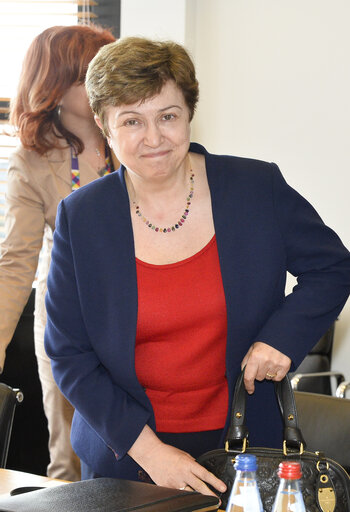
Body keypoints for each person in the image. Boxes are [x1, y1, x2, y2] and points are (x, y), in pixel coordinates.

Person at [44, 36, 350, 495]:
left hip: (246, 448)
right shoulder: (81, 216)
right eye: (131, 121)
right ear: (106, 129)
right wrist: (150, 453)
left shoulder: (255, 188)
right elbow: (68, 353)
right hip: (125, 455)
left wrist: (281, 339)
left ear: (189, 113)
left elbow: (332, 268)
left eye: (167, 116)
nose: (153, 138)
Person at [0, 24, 117, 481]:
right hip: (67, 325)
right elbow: (14, 264)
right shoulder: (29, 161)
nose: (105, 81)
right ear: (53, 85)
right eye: (89, 73)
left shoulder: (135, 137)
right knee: (70, 459)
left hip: (140, 321)